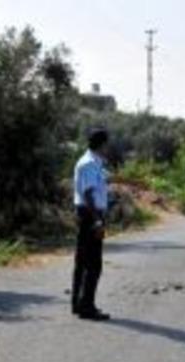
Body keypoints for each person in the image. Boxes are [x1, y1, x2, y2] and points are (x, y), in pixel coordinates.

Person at [71, 128, 111, 321]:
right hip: (90, 215)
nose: (107, 147)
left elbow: (101, 182)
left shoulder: (94, 162)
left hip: (88, 214)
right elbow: (87, 193)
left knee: (82, 262)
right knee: (93, 263)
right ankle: (87, 307)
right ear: (102, 144)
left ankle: (78, 304)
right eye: (106, 144)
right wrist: (97, 221)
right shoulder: (88, 163)